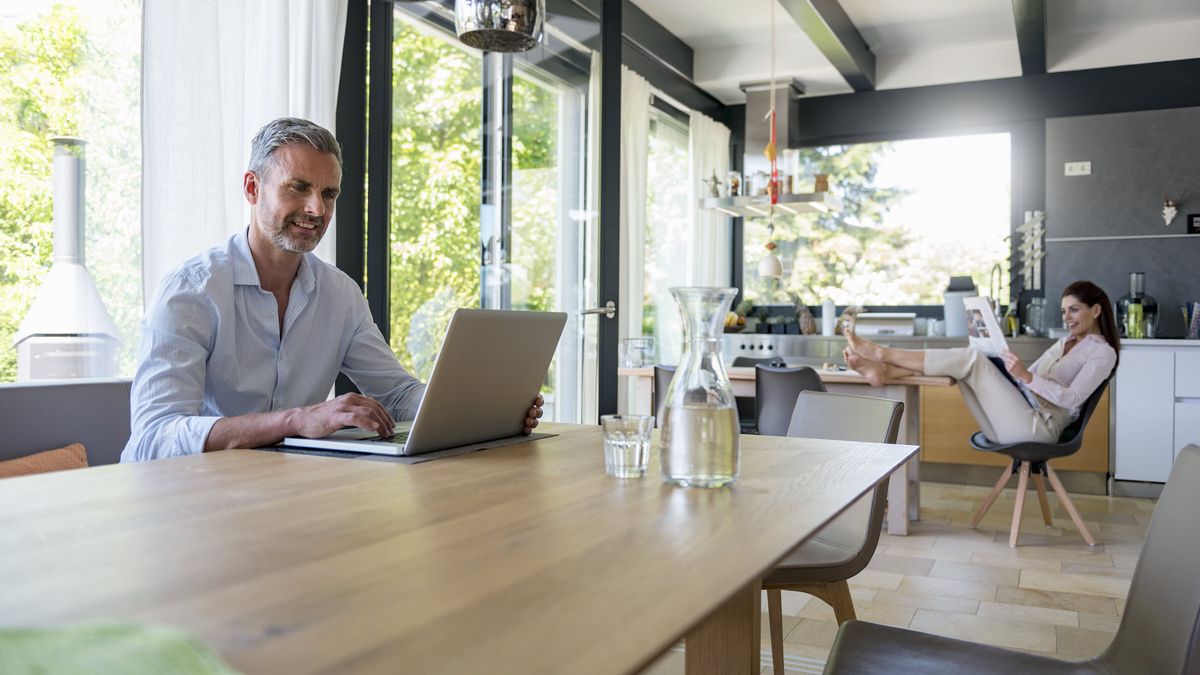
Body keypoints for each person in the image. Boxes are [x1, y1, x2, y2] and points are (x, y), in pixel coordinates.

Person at [122, 117, 542, 462]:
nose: (317, 210)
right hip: (187, 504)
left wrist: (482, 409)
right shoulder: (190, 292)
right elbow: (152, 439)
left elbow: (396, 394)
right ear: (252, 188)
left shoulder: (340, 294)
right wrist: (297, 420)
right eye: (298, 188)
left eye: (329, 193)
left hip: (286, 496)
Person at [843, 280, 1119, 445]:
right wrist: (1011, 369)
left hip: (1039, 429)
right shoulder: (1064, 343)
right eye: (1063, 311)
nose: (1067, 317)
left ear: (1095, 310)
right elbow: (1029, 380)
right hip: (1017, 417)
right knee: (970, 364)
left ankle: (883, 356)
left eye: (1074, 310)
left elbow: (1072, 399)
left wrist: (1025, 377)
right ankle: (886, 371)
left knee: (971, 359)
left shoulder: (1103, 353)